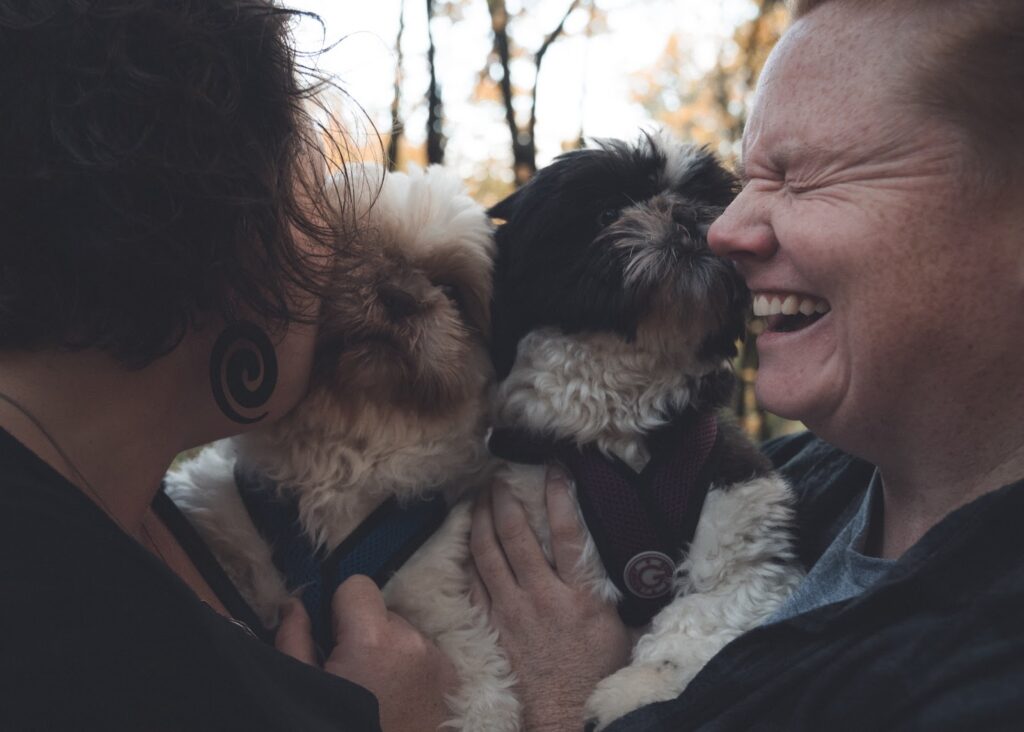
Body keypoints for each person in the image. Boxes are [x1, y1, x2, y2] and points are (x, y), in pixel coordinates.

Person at [470, 0, 1024, 729]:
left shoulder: (981, 683)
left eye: (798, 178)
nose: (722, 232)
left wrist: (560, 702)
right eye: (747, 181)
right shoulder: (771, 486)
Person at [0, 2, 459, 730]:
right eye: (324, 234)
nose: (329, 269)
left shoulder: (135, 507)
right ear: (220, 230)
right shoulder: (57, 635)